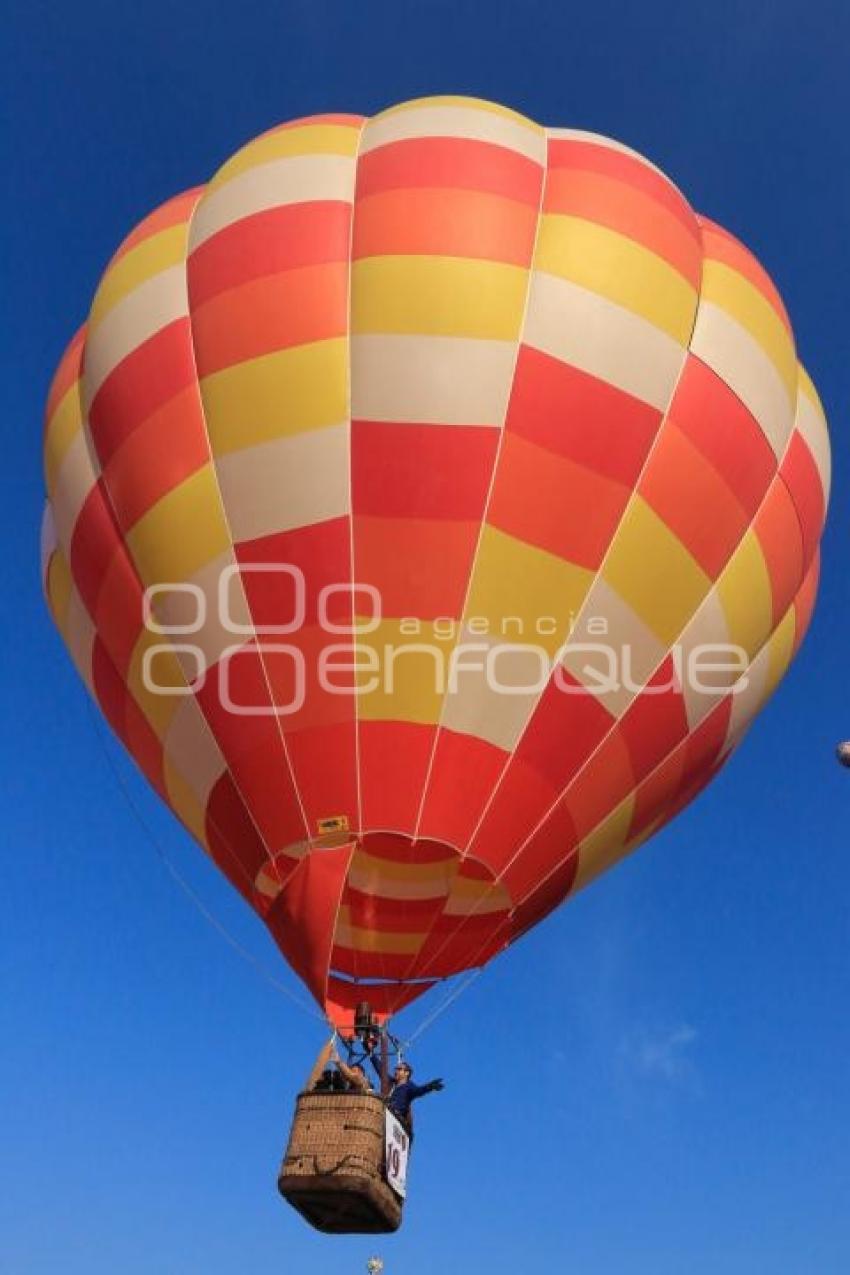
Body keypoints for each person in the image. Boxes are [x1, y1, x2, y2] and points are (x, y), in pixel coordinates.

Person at [369, 1055, 444, 1137]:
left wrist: (430, 1086)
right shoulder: (391, 1083)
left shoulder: (409, 1087)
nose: (396, 1071)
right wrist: (371, 1054)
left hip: (395, 1119)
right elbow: (380, 1070)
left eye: (399, 1069)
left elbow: (419, 1091)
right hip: (385, 1114)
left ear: (406, 1073)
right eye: (396, 1069)